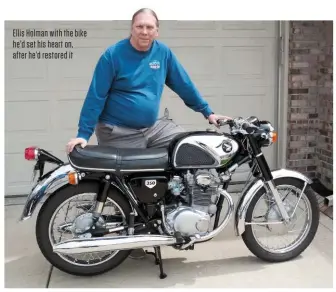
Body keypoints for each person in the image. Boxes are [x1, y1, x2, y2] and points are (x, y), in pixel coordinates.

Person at [66, 8, 231, 259]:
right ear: (132, 28)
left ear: (157, 30)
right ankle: (136, 235)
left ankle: (179, 210)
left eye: (149, 27)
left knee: (190, 149)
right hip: (117, 130)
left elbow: (183, 84)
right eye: (140, 26)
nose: (144, 31)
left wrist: (208, 112)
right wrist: (83, 133)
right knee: (133, 187)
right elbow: (95, 96)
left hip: (152, 127)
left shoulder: (162, 53)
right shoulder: (113, 55)